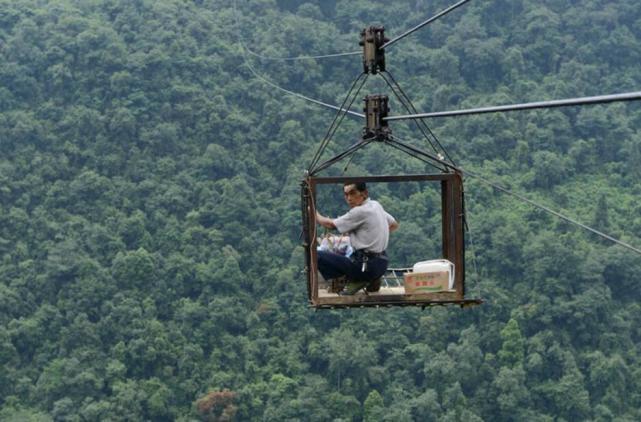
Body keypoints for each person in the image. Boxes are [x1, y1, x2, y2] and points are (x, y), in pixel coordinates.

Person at [315, 182, 399, 295]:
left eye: (353, 193)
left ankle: (356, 279)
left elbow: (330, 225)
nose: (349, 198)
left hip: (365, 266)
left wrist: (314, 213)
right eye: (346, 194)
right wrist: (374, 235)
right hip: (382, 264)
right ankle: (372, 278)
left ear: (364, 193)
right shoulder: (375, 205)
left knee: (316, 255)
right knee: (346, 254)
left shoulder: (359, 211)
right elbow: (394, 225)